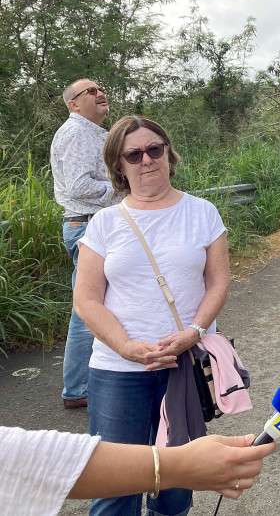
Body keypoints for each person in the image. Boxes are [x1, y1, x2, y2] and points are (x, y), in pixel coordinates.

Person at [74, 115, 230, 516]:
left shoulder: (202, 213)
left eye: (154, 149)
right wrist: (126, 347)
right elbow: (87, 300)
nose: (146, 160)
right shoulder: (104, 223)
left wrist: (194, 332)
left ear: (168, 153)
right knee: (114, 488)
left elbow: (218, 283)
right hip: (117, 371)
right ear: (119, 165)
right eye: (134, 154)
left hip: (184, 365)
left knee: (176, 484)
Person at [0, 425, 275, 516]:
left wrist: (196, 330)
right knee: (113, 504)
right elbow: (22, 459)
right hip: (115, 364)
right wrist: (183, 464)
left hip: (185, 355)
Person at [50, 79, 118, 409]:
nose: (100, 92)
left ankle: (94, 379)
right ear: (73, 104)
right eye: (90, 91)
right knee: (86, 309)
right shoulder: (76, 133)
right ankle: (77, 388)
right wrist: (123, 189)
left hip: (96, 224)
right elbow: (78, 187)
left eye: (100, 87)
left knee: (101, 303)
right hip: (88, 226)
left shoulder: (92, 133)